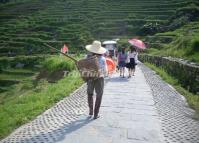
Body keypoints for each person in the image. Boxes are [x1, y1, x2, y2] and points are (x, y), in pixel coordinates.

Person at [85, 40, 108, 119]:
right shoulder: (103, 59)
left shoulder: (87, 57)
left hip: (90, 78)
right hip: (99, 78)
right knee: (99, 95)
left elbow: (84, 68)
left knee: (90, 94)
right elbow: (105, 71)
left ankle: (91, 111)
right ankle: (96, 114)